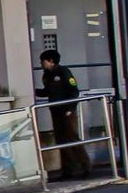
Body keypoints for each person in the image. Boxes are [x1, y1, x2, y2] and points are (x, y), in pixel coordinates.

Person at [37, 49, 91, 179]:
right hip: (55, 110)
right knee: (61, 140)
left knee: (72, 138)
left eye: (43, 61)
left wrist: (70, 108)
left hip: (67, 111)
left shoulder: (63, 72)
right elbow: (48, 91)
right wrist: (34, 91)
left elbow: (73, 91)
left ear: (51, 61)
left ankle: (85, 166)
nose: (41, 64)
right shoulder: (46, 75)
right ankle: (69, 169)